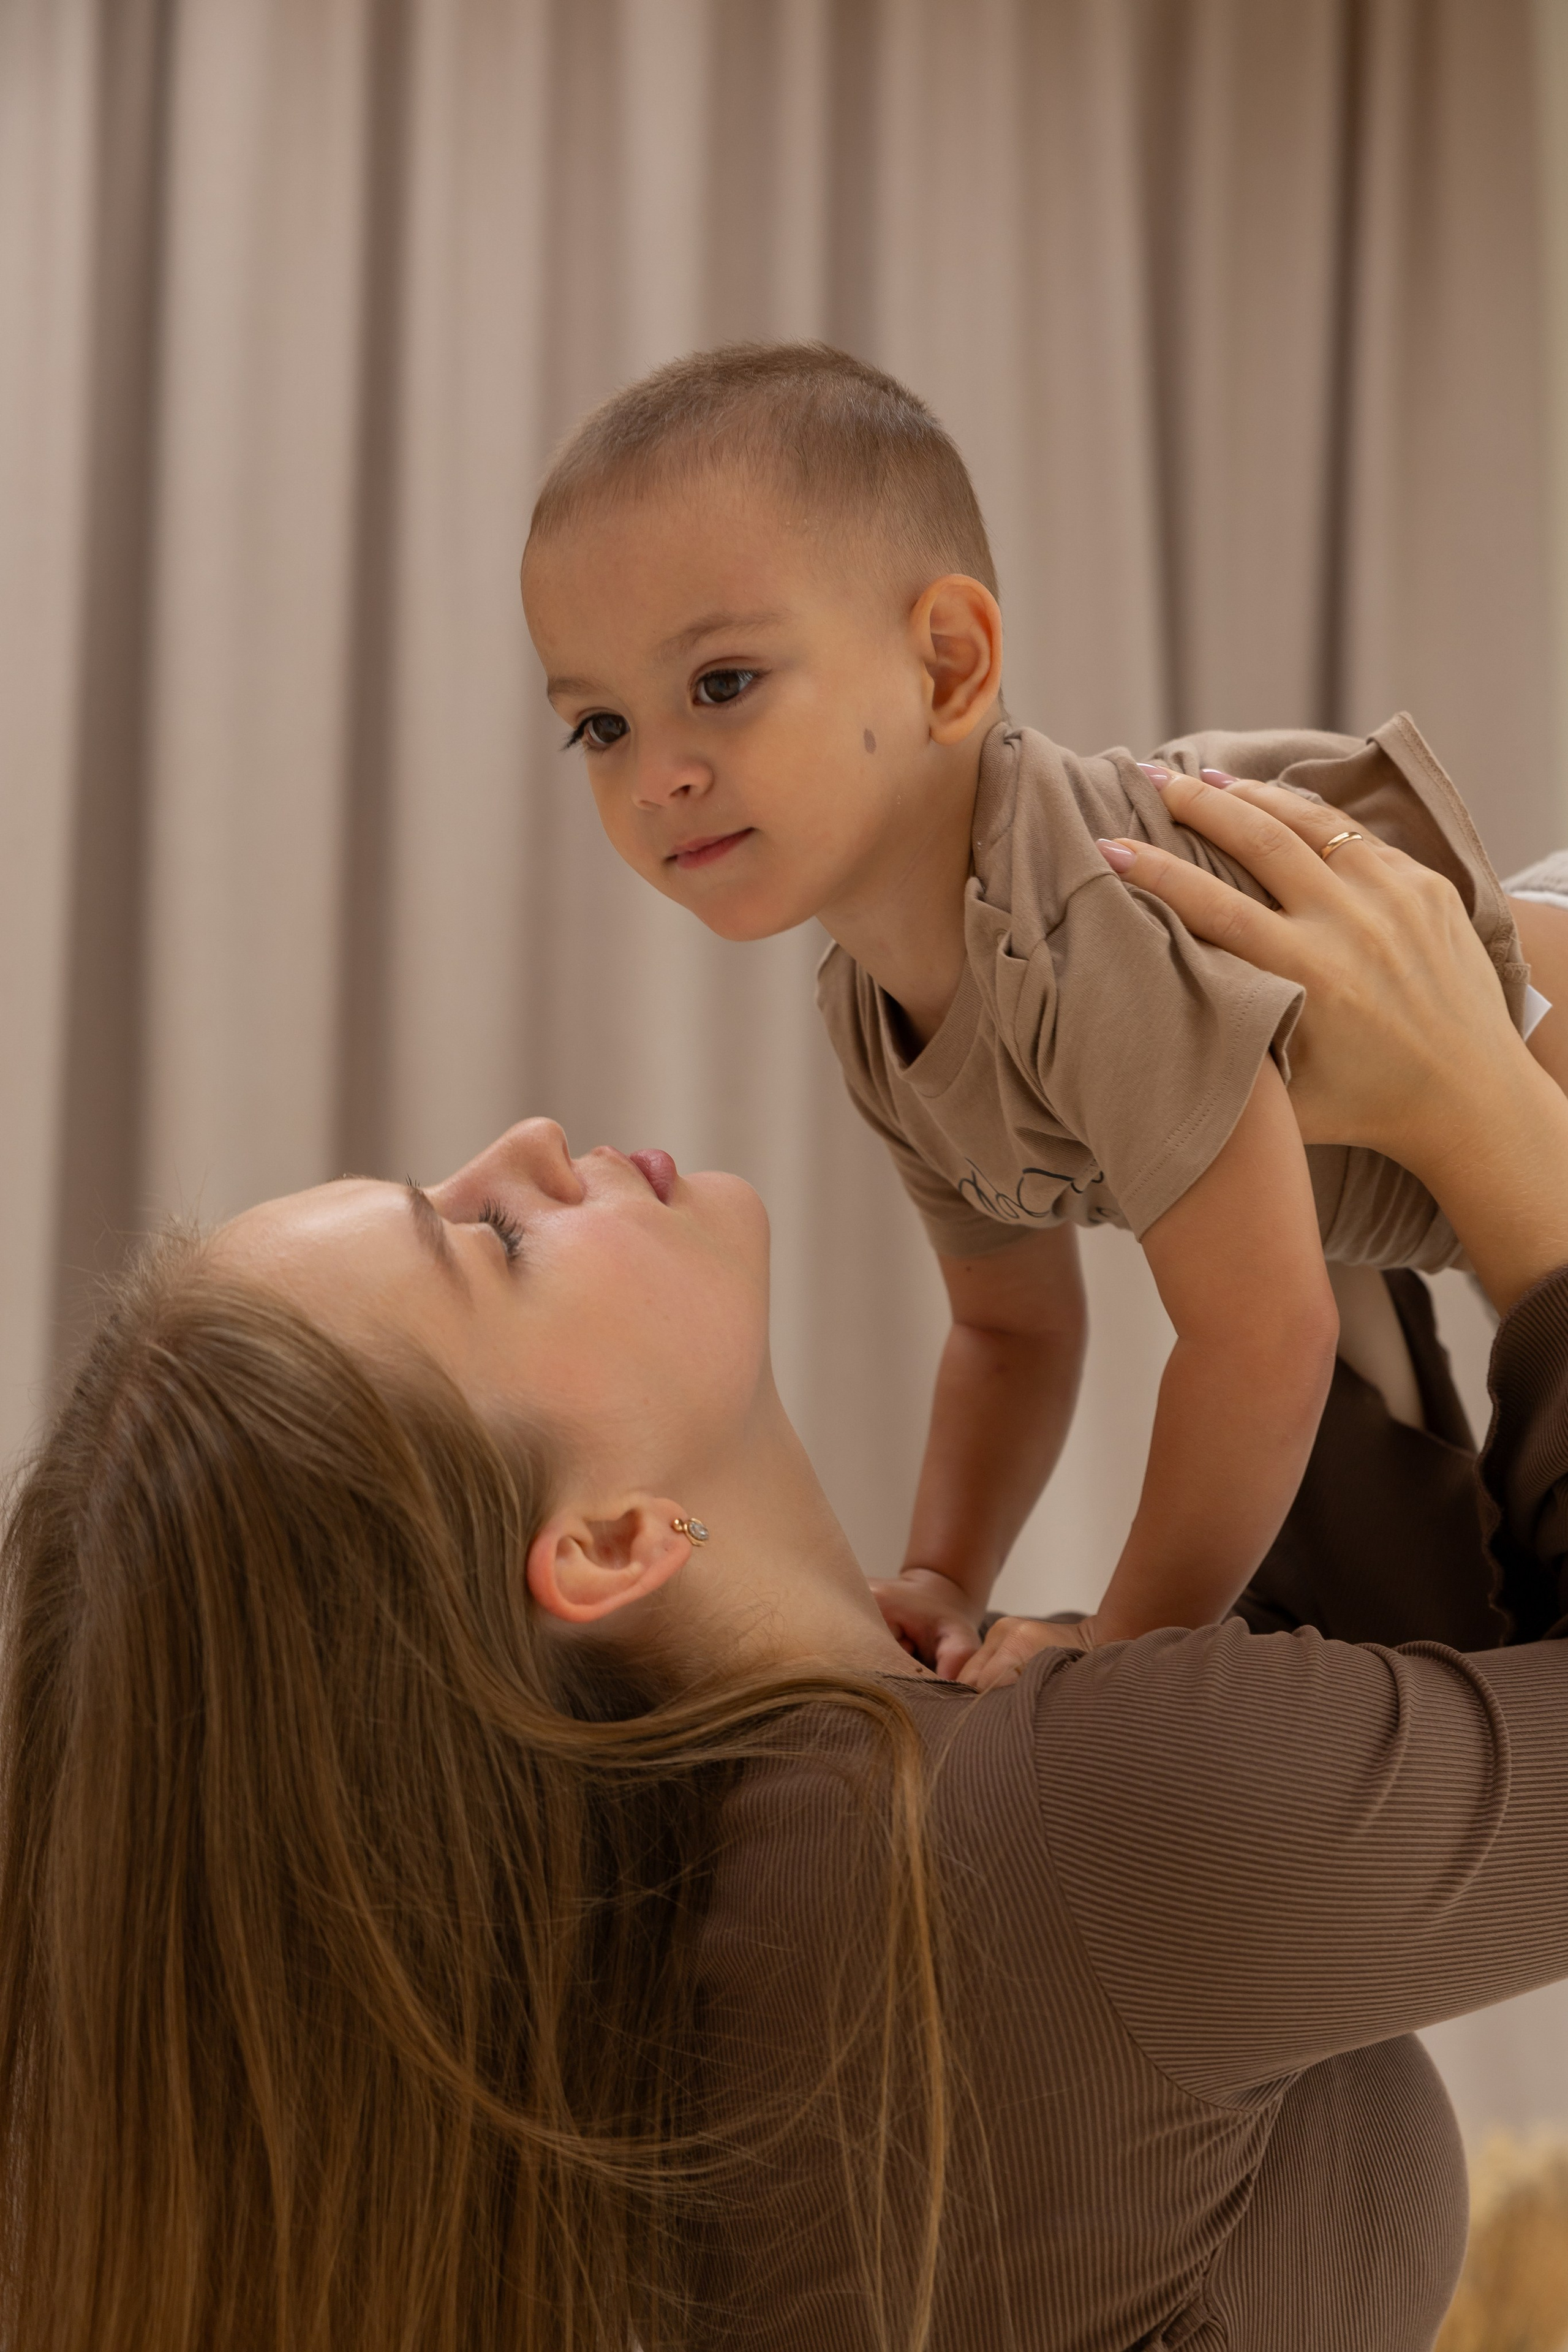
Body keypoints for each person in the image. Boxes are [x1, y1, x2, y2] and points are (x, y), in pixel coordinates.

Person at [5, 782, 1568, 2352]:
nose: (530, 1147)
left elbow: (1377, 1701)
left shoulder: (711, 1931)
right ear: (605, 1545)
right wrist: (1479, 1121)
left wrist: (1297, 1112)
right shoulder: (1013, 1844)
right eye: (485, 1240)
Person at [520, 339, 1568, 1675]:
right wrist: (946, 1572)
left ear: (948, 666)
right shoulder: (872, 1006)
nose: (655, 772)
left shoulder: (1082, 927)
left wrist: (1125, 1647)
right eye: (598, 726)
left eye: (719, 685)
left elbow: (1263, 1337)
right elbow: (1011, 1329)